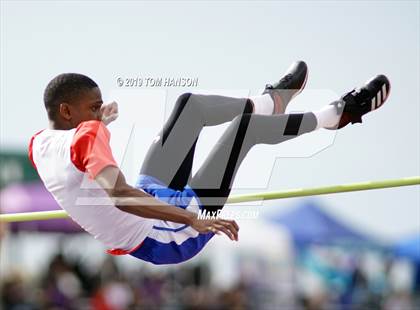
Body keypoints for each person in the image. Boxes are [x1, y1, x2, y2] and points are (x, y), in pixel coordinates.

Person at [29, 61, 390, 264]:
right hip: (166, 234)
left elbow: (76, 167)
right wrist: (192, 218)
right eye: (94, 106)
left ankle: (271, 102)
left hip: (152, 200)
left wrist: (99, 121)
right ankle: (337, 115)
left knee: (190, 106)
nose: (98, 112)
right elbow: (119, 194)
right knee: (244, 131)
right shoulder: (86, 136)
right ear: (66, 110)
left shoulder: (38, 145)